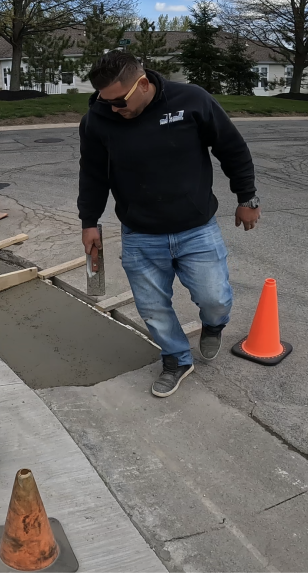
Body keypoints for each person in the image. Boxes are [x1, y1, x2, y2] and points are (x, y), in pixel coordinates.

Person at [78, 51, 259, 398]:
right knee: (153, 309)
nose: (112, 108)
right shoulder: (97, 121)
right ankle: (176, 358)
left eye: (119, 101)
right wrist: (90, 222)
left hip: (196, 229)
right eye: (105, 101)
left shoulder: (191, 100)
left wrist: (247, 197)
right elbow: (93, 175)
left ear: (143, 84)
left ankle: (213, 324)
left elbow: (232, 148)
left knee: (216, 299)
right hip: (140, 235)